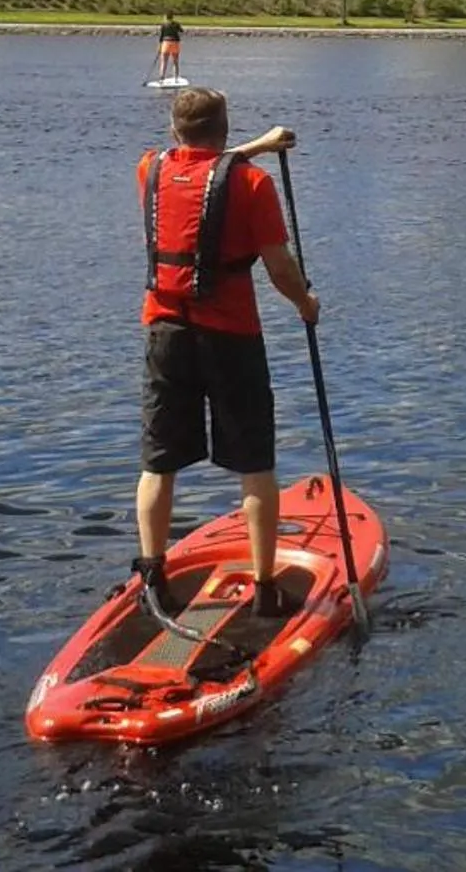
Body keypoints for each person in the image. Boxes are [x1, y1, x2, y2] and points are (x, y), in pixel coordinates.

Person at [132, 87, 317, 620]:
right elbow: (280, 268)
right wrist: (306, 304)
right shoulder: (253, 185)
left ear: (173, 131)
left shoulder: (150, 170)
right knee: (254, 464)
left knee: (158, 461)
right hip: (232, 336)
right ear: (226, 130)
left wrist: (257, 145)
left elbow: (202, 167)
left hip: (165, 333)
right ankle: (264, 589)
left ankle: (153, 573)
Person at [154, 14, 184, 80]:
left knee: (164, 61)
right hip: (175, 43)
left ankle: (162, 77)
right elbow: (182, 31)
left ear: (166, 17)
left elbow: (161, 36)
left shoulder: (164, 25)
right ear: (172, 17)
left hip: (166, 43)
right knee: (175, 62)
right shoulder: (176, 24)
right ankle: (176, 77)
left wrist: (160, 46)